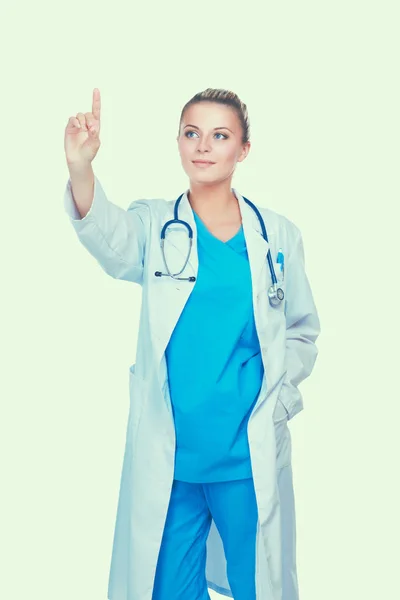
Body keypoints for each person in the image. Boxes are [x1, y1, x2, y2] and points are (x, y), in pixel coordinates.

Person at [63, 87, 320, 600]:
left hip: (246, 457)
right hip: (173, 459)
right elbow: (111, 240)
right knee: (168, 592)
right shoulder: (158, 224)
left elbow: (301, 330)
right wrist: (80, 168)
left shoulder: (277, 236)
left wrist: (276, 399)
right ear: (179, 143)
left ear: (242, 150)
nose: (203, 146)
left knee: (260, 587)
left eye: (219, 135)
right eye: (192, 133)